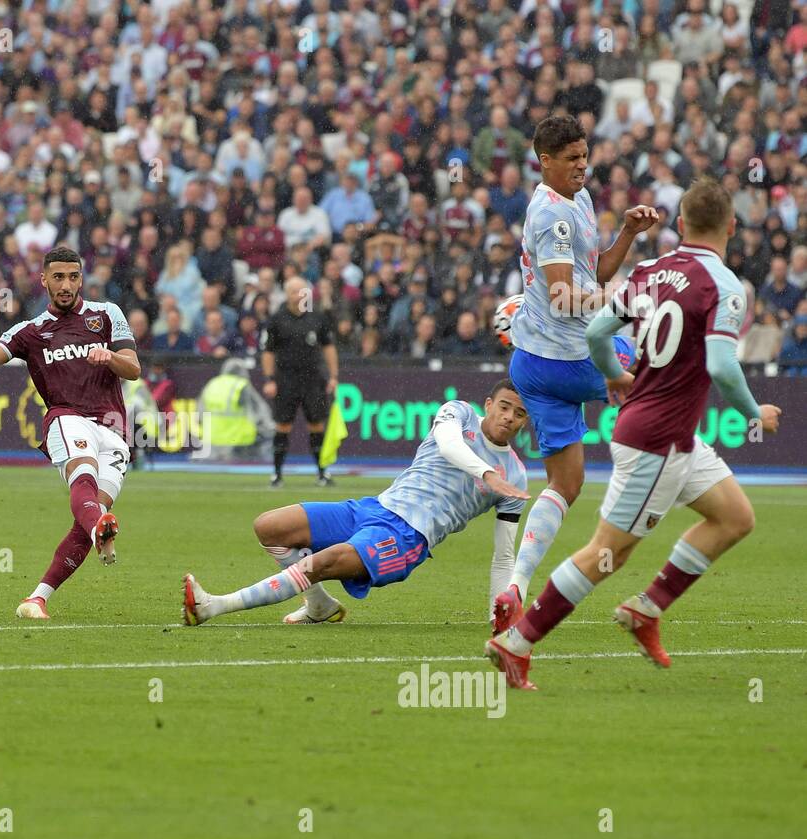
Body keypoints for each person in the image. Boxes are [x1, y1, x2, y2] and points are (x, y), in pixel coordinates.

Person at [488, 179, 781, 690]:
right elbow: (720, 362)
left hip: (670, 435)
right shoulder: (724, 286)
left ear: (681, 225)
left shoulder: (652, 271)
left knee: (734, 517)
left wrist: (615, 375)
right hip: (657, 441)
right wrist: (755, 412)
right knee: (608, 553)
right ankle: (517, 642)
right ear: (733, 227)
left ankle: (647, 608)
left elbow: (600, 332)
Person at [493, 115, 661, 635]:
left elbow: (596, 273)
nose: (582, 166)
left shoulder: (578, 201)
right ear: (544, 161)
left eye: (585, 156)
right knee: (657, 373)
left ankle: (515, 586)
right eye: (571, 159)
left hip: (533, 366)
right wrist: (631, 303)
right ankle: (663, 489)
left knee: (566, 483)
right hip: (573, 359)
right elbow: (568, 299)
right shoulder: (552, 217)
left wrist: (629, 232)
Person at [184, 381, 530, 626]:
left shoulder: (514, 475)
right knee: (270, 527)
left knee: (324, 561)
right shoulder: (459, 414)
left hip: (408, 537)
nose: (509, 417)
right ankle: (319, 605)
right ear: (488, 405)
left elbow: (504, 556)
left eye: (519, 413)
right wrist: (485, 473)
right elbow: (449, 444)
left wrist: (497, 615)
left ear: (525, 420)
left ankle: (214, 606)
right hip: (373, 508)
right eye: (503, 406)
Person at [0, 246, 140, 620]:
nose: (66, 285)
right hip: (66, 418)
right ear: (43, 280)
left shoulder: (108, 315)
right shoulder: (30, 332)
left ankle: (36, 599)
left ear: (82, 278)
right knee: (84, 479)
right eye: (58, 277)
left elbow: (134, 369)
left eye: (73, 276)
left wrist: (109, 356)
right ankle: (100, 529)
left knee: (89, 516)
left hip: (113, 429)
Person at [262, 276, 338, 487]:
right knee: (283, 425)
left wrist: (333, 376)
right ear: (287, 295)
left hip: (313, 379)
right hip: (286, 379)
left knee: (316, 424)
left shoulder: (317, 318)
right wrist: (269, 379)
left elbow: (328, 348)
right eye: (295, 291)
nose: (300, 295)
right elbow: (268, 351)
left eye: (303, 291)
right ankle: (277, 474)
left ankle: (323, 473)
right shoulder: (278, 319)